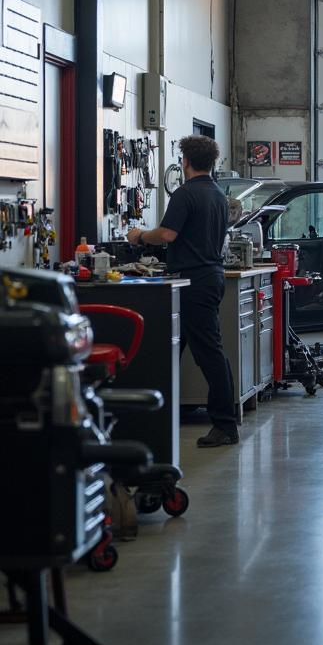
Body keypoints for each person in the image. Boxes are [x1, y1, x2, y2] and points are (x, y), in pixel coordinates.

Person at [127, 135, 237, 447]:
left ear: (185, 161)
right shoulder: (217, 194)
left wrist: (138, 236)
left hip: (194, 282)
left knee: (209, 353)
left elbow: (167, 234)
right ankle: (156, 413)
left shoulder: (186, 194)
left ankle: (225, 425)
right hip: (208, 276)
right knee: (169, 350)